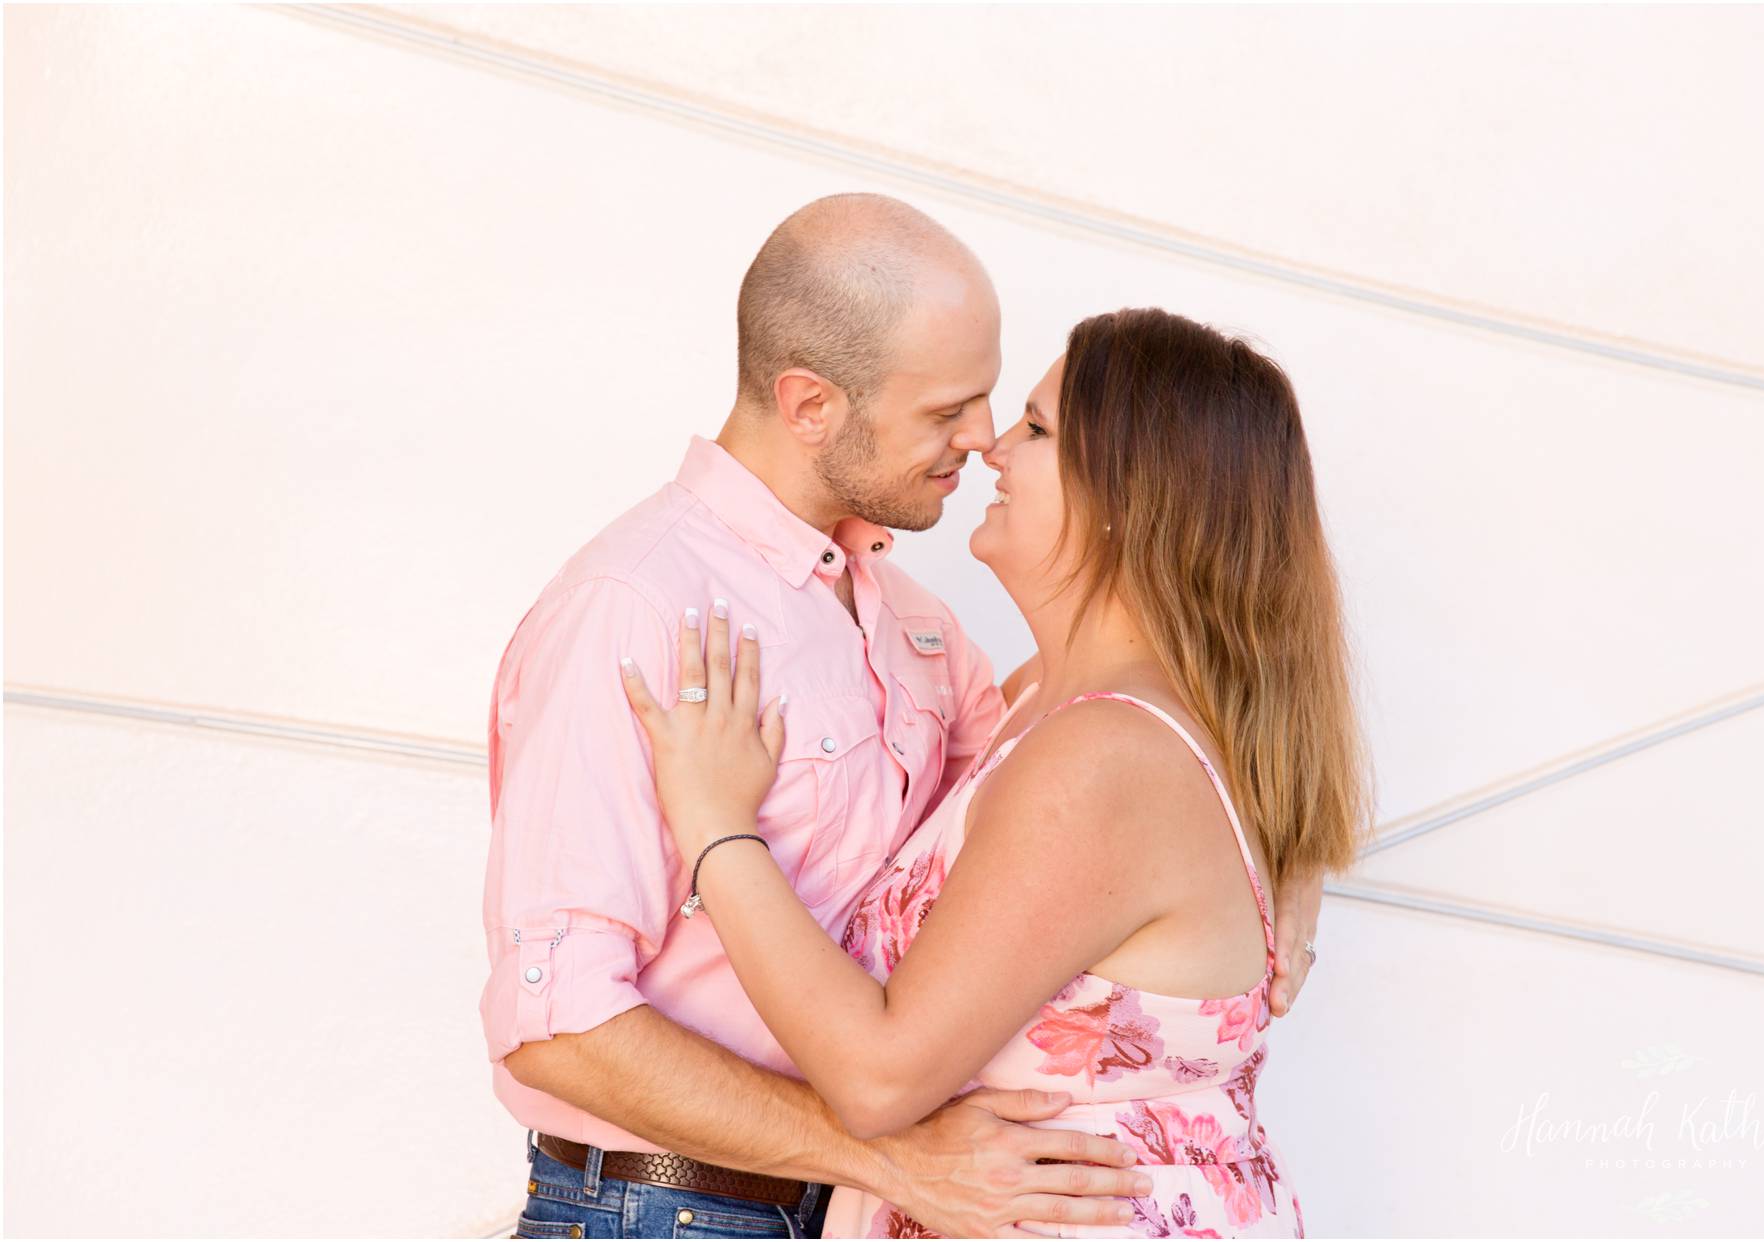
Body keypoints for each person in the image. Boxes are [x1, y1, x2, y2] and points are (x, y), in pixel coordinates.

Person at [482, 193, 1325, 1239]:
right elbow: (554, 1024)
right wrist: (882, 1158)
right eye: (948, 412)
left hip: (855, 1202)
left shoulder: (915, 631)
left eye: (1007, 412)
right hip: (669, 1209)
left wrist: (1287, 863)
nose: (980, 443)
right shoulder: (638, 608)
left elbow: (1121, 772)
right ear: (810, 405)